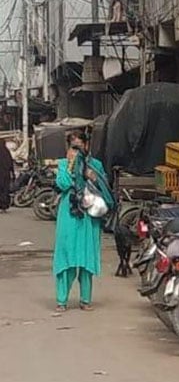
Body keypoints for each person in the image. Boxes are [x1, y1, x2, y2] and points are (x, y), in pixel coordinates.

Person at [51, 131, 114, 313]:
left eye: (80, 146)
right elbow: (62, 184)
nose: (77, 151)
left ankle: (85, 300)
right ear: (68, 148)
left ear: (87, 146)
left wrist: (92, 176)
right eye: (73, 147)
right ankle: (61, 300)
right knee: (66, 257)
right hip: (69, 215)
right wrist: (70, 167)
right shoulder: (63, 164)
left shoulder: (96, 165)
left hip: (89, 215)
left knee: (87, 258)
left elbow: (105, 187)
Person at [0, 139, 13, 211]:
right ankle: (4, 206)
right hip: (6, 174)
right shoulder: (7, 152)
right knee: (5, 189)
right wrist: (12, 174)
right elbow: (11, 163)